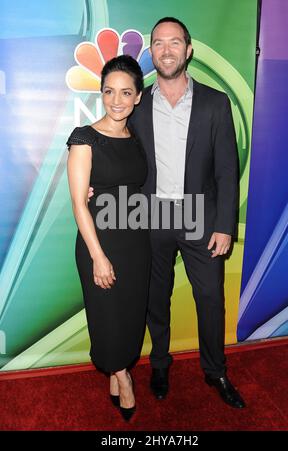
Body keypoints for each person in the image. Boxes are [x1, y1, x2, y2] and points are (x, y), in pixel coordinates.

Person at [90, 17, 245, 409]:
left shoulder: (216, 102)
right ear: (151, 52)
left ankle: (216, 371)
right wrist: (94, 184)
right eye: (158, 43)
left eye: (174, 42)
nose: (166, 49)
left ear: (187, 50)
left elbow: (228, 170)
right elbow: (114, 148)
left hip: (201, 218)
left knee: (210, 298)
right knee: (154, 298)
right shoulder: (137, 103)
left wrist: (225, 225)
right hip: (150, 216)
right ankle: (160, 364)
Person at [66, 55, 151, 421]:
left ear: (138, 97)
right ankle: (123, 377)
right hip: (98, 243)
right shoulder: (84, 138)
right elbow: (78, 204)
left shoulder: (136, 136)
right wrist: (98, 256)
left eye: (126, 92)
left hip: (136, 242)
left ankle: (117, 372)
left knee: (130, 316)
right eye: (109, 91)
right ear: (101, 93)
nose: (117, 100)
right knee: (107, 318)